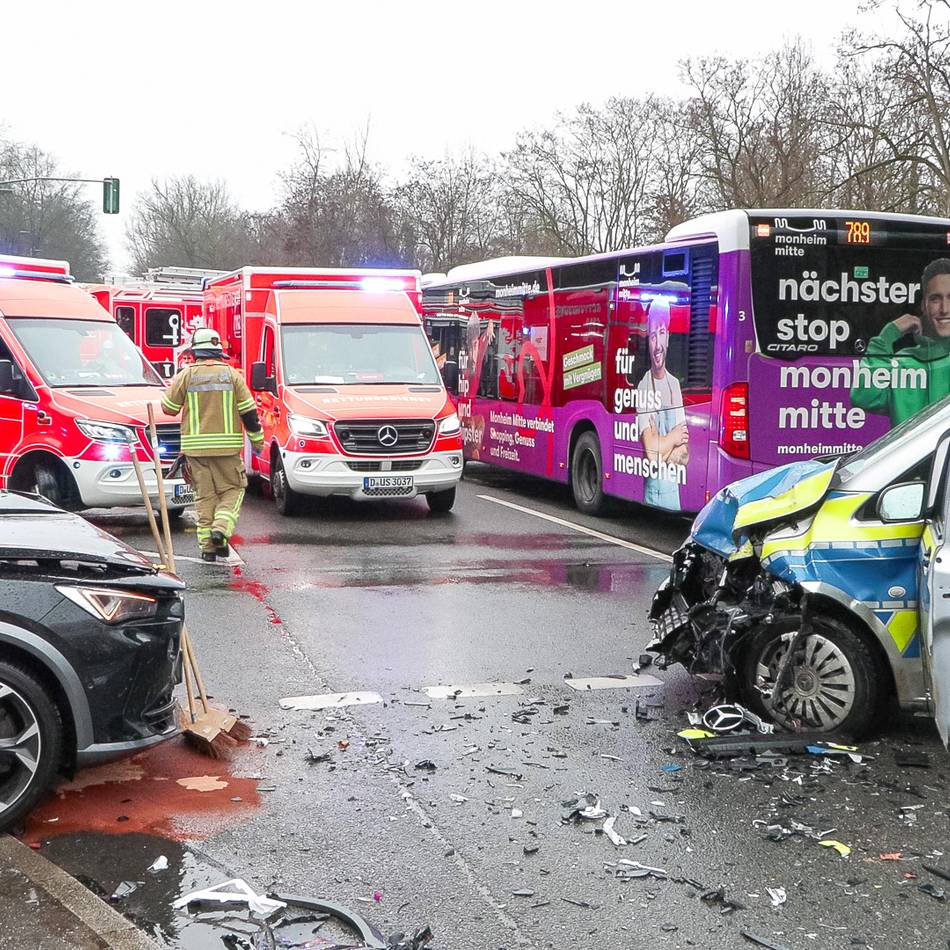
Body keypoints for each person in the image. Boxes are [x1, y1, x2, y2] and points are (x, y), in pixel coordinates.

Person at [160, 328, 264, 561]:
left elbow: (168, 408)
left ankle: (208, 549)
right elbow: (249, 413)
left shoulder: (186, 375)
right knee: (233, 490)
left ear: (195, 352)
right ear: (218, 352)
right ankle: (221, 529)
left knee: (204, 497)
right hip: (227, 450)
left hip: (195, 451)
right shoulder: (232, 375)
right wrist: (257, 440)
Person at [851, 258, 950, 426]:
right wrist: (887, 336)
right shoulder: (903, 363)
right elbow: (864, 397)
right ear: (924, 306)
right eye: (935, 299)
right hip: (913, 446)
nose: (944, 309)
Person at [636, 299, 688, 511]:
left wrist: (662, 445)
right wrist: (674, 438)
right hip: (654, 495)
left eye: (662, 333)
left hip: (674, 497)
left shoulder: (674, 385)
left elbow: (685, 454)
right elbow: (651, 453)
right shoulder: (644, 386)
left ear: (668, 338)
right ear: (648, 340)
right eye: (652, 335)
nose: (657, 345)